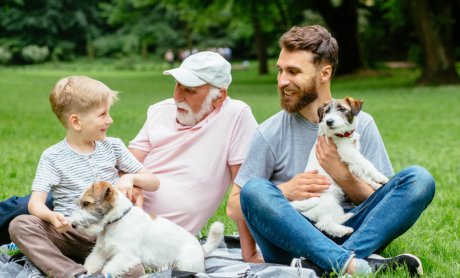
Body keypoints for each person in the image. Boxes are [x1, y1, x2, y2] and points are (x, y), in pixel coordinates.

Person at [0, 51, 259, 259]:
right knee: (33, 204)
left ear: (219, 96)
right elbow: (124, 164)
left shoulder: (236, 115)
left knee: (36, 216)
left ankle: (24, 245)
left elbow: (244, 188)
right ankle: (20, 244)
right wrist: (133, 183)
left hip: (146, 229)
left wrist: (249, 253)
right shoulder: (160, 110)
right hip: (110, 201)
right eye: (177, 85)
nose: (177, 96)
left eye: (190, 90)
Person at [226, 25, 436, 276]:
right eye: (280, 71)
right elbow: (235, 207)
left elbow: (382, 204)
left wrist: (343, 176)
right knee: (254, 189)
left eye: (293, 71)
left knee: (419, 179)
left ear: (324, 73)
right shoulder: (269, 132)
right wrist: (286, 191)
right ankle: (351, 264)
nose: (282, 81)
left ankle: (324, 265)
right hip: (293, 238)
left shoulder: (362, 124)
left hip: (351, 228)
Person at [8, 76, 160, 278]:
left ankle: (87, 266)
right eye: (103, 114)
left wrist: (130, 179)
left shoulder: (113, 146)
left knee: (134, 271)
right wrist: (52, 217)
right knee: (20, 225)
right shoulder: (52, 157)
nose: (110, 119)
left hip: (111, 236)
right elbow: (35, 203)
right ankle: (72, 273)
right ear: (76, 122)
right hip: (69, 234)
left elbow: (154, 182)